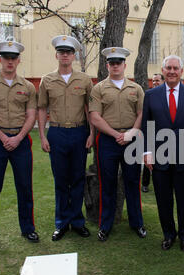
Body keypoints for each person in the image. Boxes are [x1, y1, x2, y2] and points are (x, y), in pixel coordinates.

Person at [0, 38, 39, 251]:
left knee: (25, 187)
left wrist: (18, 138)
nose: (10, 61)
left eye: (14, 58)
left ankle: (28, 228)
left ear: (19, 60)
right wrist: (3, 138)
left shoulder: (28, 86)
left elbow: (31, 115)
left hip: (20, 142)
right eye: (6, 57)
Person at [142, 55, 184, 252]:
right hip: (160, 157)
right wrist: (146, 152)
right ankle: (168, 235)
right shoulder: (151, 95)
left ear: (181, 71)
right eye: (168, 67)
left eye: (175, 68)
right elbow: (146, 126)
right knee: (164, 200)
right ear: (163, 70)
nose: (171, 71)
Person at [37, 35, 94, 241]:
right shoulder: (47, 80)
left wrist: (91, 134)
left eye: (68, 52)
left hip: (79, 133)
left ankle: (77, 222)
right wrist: (43, 135)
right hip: (58, 133)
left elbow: (90, 109)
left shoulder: (85, 80)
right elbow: (42, 109)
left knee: (78, 178)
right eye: (61, 52)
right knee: (61, 180)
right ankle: (61, 223)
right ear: (56, 55)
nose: (65, 55)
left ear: (74, 56)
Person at [89, 47, 146, 242]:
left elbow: (141, 114)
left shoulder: (136, 88)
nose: (115, 66)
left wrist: (130, 133)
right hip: (107, 140)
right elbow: (95, 117)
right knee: (108, 183)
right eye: (112, 63)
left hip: (132, 139)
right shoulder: (98, 89)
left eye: (118, 63)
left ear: (124, 65)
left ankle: (137, 223)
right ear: (107, 65)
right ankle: (105, 225)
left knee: (132, 182)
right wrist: (116, 135)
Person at [141, 73, 164, 193]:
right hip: (151, 131)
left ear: (163, 81)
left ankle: (163, 184)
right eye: (153, 81)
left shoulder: (167, 94)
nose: (155, 82)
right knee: (148, 158)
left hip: (165, 133)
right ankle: (145, 183)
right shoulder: (148, 95)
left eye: (157, 80)